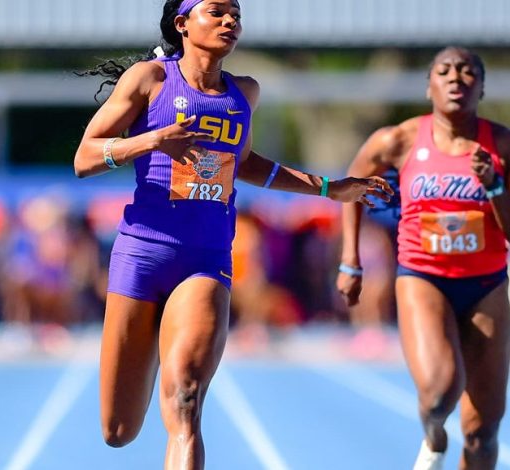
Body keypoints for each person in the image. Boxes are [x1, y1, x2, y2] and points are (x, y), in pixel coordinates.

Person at [74, 1, 393, 468]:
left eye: (236, 14)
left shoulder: (244, 93)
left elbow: (244, 163)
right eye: (217, 11)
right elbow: (83, 158)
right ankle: (157, 344)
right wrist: (151, 140)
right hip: (141, 256)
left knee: (186, 399)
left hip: (205, 259)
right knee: (117, 430)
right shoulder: (149, 80)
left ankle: (176, 354)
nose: (230, 21)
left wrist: (329, 188)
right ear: (182, 24)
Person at [337, 46, 510, 470]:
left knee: (483, 433)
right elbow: (350, 190)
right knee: (439, 393)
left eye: (467, 71)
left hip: (486, 285)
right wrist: (350, 260)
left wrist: (494, 185)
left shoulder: (506, 145)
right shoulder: (398, 140)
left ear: (481, 88)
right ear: (429, 86)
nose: (455, 77)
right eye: (444, 70)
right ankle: (433, 437)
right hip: (422, 277)